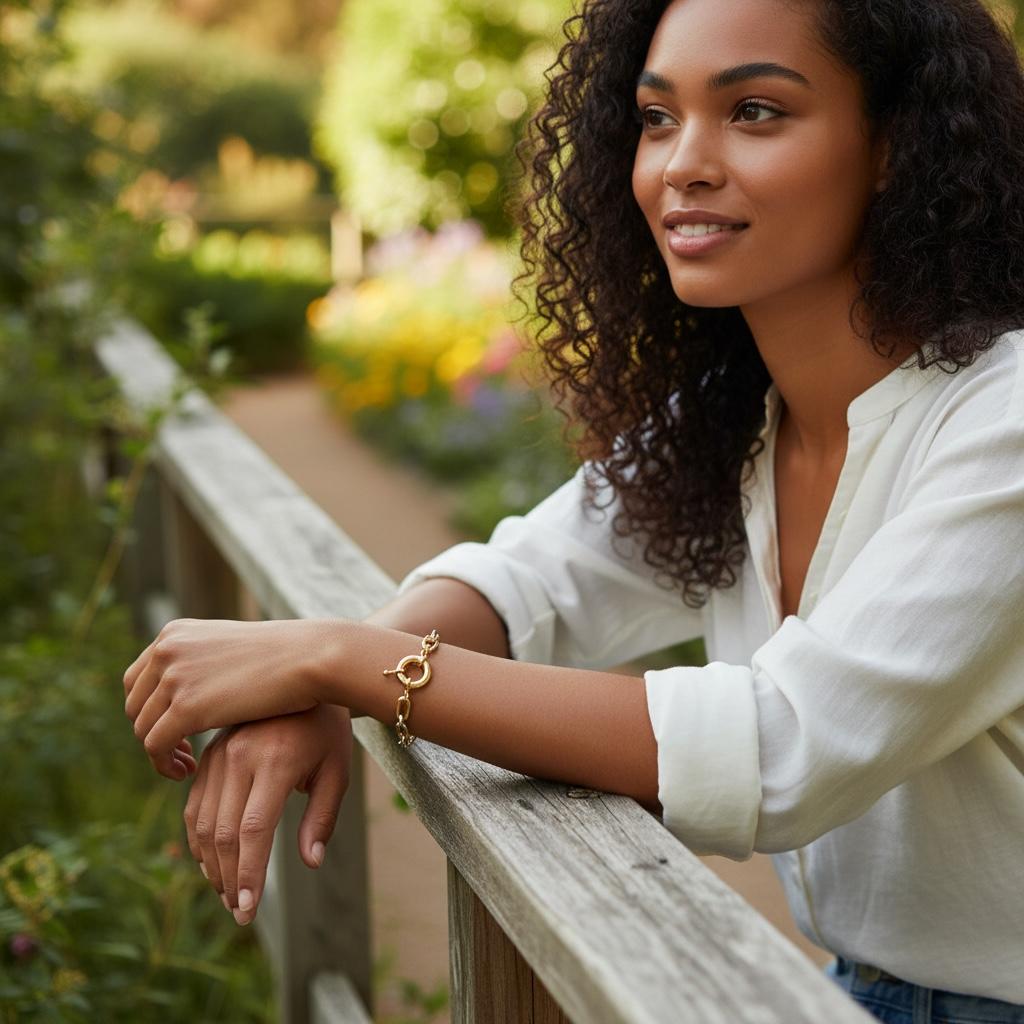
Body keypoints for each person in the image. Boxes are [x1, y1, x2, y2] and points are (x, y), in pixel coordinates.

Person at [122, 0, 1024, 1020]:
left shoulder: (1005, 423)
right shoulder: (738, 420)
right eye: (656, 117)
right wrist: (321, 689)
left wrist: (340, 660)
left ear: (896, 145)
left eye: (755, 111)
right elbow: (527, 583)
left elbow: (782, 747)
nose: (683, 163)